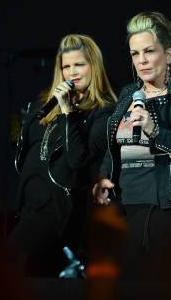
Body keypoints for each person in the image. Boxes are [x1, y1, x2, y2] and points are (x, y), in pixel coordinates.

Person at [93, 11, 171, 281]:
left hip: (163, 206)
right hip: (125, 204)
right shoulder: (127, 95)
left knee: (141, 285)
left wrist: (155, 131)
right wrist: (103, 175)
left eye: (149, 51)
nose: (141, 61)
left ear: (168, 55)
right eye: (135, 54)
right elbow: (115, 145)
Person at [7, 34, 116, 276]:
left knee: (9, 262)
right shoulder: (43, 104)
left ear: (93, 66)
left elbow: (78, 160)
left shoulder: (103, 111)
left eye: (79, 64)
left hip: (59, 208)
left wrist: (68, 112)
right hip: (30, 206)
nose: (72, 72)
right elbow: (25, 153)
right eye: (66, 66)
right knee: (37, 282)